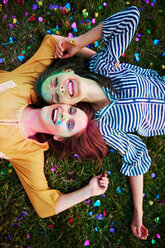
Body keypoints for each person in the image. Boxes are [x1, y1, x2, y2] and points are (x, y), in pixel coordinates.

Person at [34, 6, 165, 239]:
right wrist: (139, 212)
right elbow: (137, 155)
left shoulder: (102, 66)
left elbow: (131, 16)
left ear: (66, 71)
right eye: (56, 96)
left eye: (56, 82)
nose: (61, 89)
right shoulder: (104, 126)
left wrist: (78, 43)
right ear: (66, 107)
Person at [0, 35, 109, 218]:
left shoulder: (29, 155)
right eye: (71, 112)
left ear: (59, 137)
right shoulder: (32, 81)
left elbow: (45, 207)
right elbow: (53, 42)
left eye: (69, 124)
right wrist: (94, 56)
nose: (64, 115)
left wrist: (89, 191)